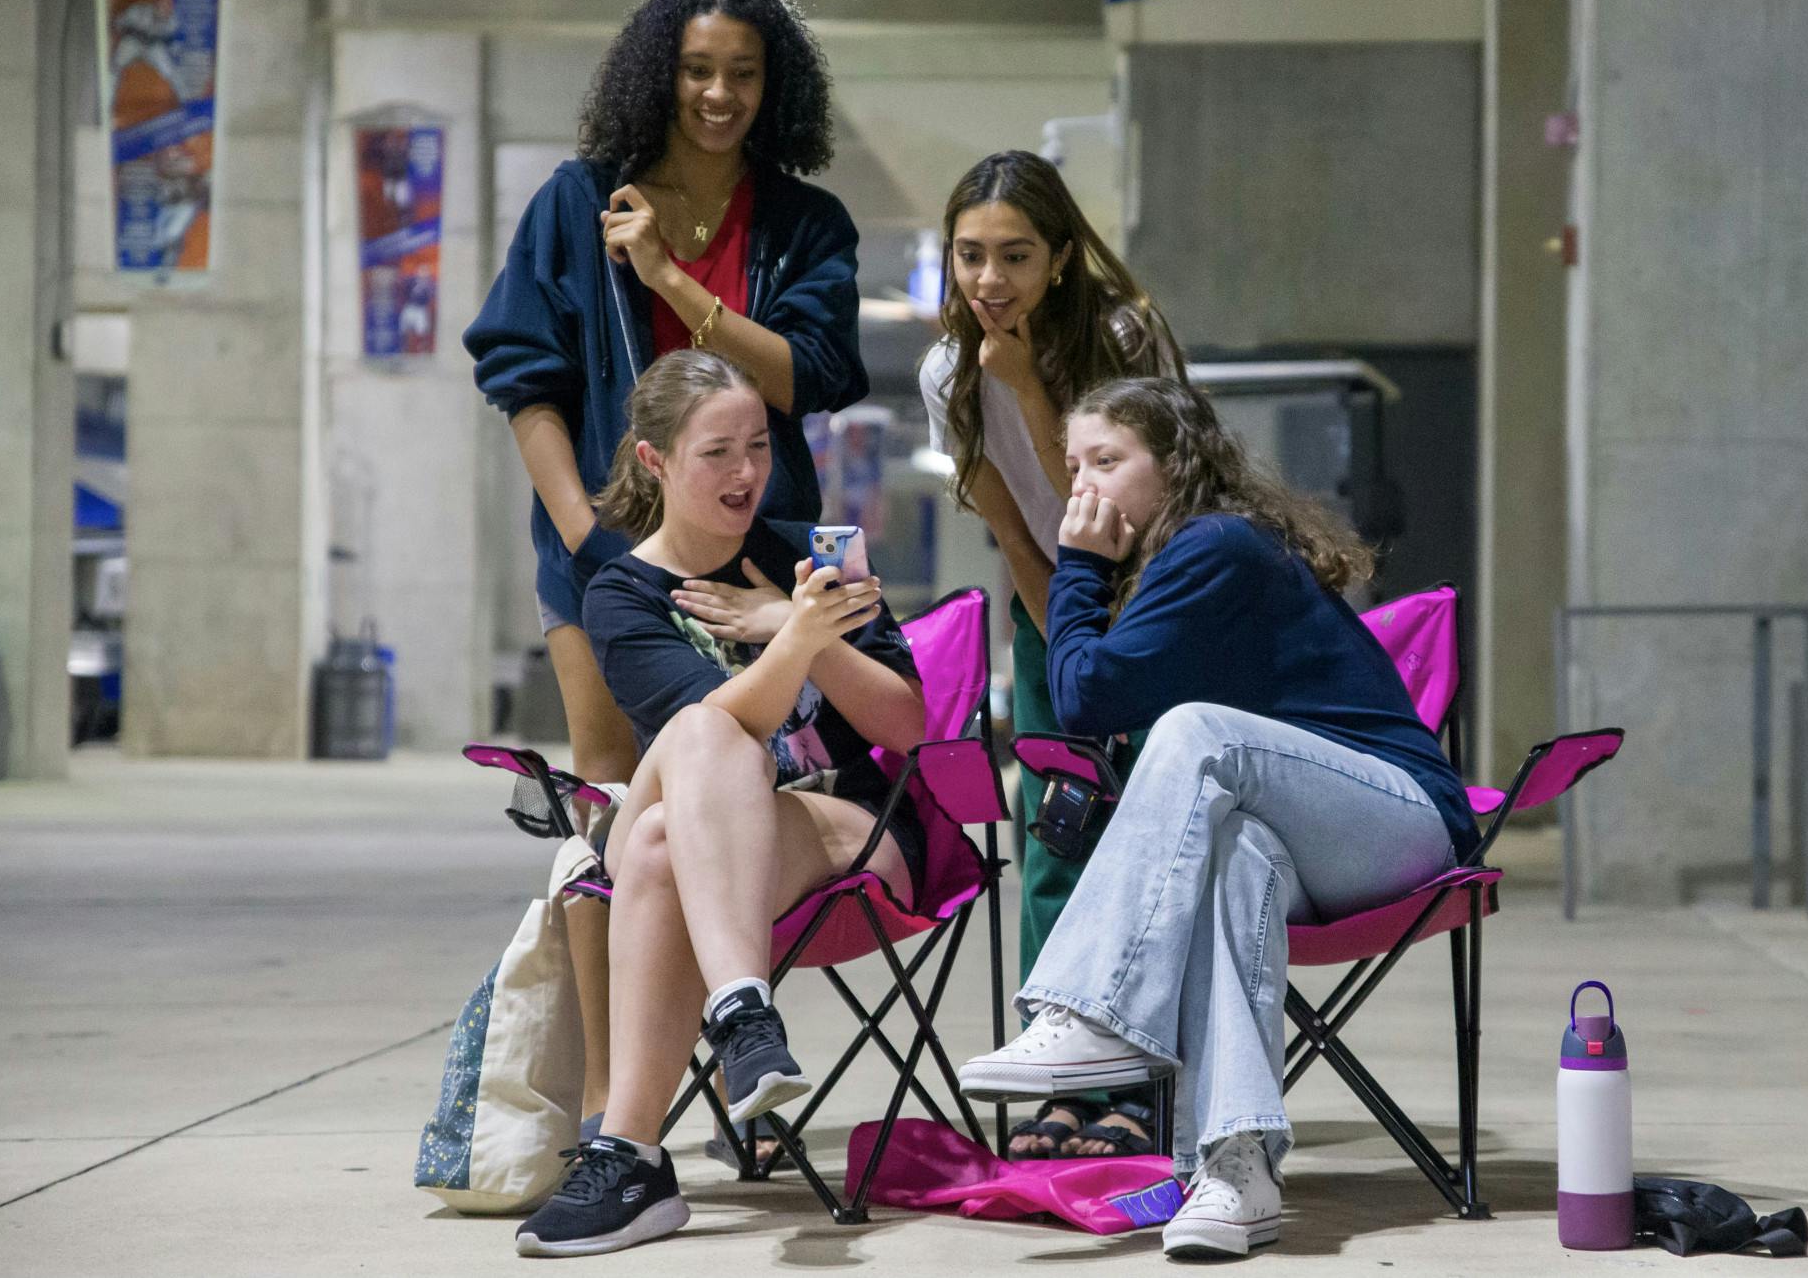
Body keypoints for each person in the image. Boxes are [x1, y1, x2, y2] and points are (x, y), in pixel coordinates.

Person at [463, 0, 869, 1153]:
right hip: (598, 552)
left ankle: (733, 1060)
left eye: (743, 73)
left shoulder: (804, 223)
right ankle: (611, 1101)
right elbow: (522, 379)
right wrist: (588, 540)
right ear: (658, 73)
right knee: (606, 798)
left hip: (753, 549)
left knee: (734, 783)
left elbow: (812, 375)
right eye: (697, 70)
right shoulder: (576, 200)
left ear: (774, 86)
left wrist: (668, 280)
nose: (718, 93)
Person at [955, 378, 1477, 1259]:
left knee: (1195, 731)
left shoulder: (1217, 543)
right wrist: (1089, 569)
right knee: (1237, 856)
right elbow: (1085, 693)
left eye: (1108, 461)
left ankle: (1091, 1013)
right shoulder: (1163, 569)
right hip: (1308, 841)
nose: (1083, 487)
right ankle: (1237, 1167)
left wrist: (1075, 564)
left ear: (1175, 464)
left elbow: (1083, 696)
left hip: (1403, 819)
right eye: (1073, 467)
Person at [513, 349, 927, 1258]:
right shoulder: (621, 594)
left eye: (758, 447)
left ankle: (630, 1154)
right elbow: (728, 737)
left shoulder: (813, 556)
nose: (746, 472)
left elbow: (905, 725)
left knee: (660, 839)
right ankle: (744, 1012)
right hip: (721, 839)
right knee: (701, 742)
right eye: (716, 452)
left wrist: (796, 628)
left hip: (852, 835)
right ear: (654, 460)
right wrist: (798, 638)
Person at [916, 149, 1183, 1159]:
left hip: (1158, 602)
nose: (989, 280)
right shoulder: (948, 371)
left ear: (1061, 256)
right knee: (1055, 830)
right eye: (970, 255)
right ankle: (1062, 1075)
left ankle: (1140, 1076)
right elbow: (1014, 529)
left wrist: (1028, 385)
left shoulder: (1122, 335)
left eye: (1016, 256)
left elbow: (1101, 495)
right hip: (1052, 607)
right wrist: (1068, 646)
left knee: (1145, 837)